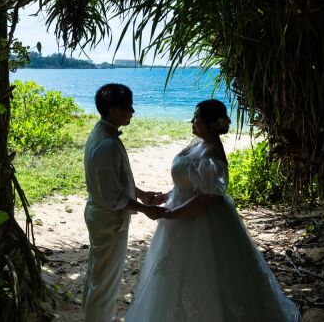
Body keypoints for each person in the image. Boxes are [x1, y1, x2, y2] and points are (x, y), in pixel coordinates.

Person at [126, 99, 301, 322]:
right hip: (180, 214)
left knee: (207, 274)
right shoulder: (198, 144)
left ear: (211, 124)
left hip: (201, 220)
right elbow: (191, 183)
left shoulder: (212, 154)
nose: (192, 121)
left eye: (197, 118)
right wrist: (167, 196)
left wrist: (173, 213)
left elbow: (207, 197)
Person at [82, 83, 167, 322]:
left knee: (98, 274)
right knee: (105, 283)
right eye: (128, 107)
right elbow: (113, 198)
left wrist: (140, 194)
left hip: (101, 214)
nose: (132, 111)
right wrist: (146, 209)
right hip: (109, 220)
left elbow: (114, 182)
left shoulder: (101, 134)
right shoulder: (107, 145)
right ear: (113, 109)